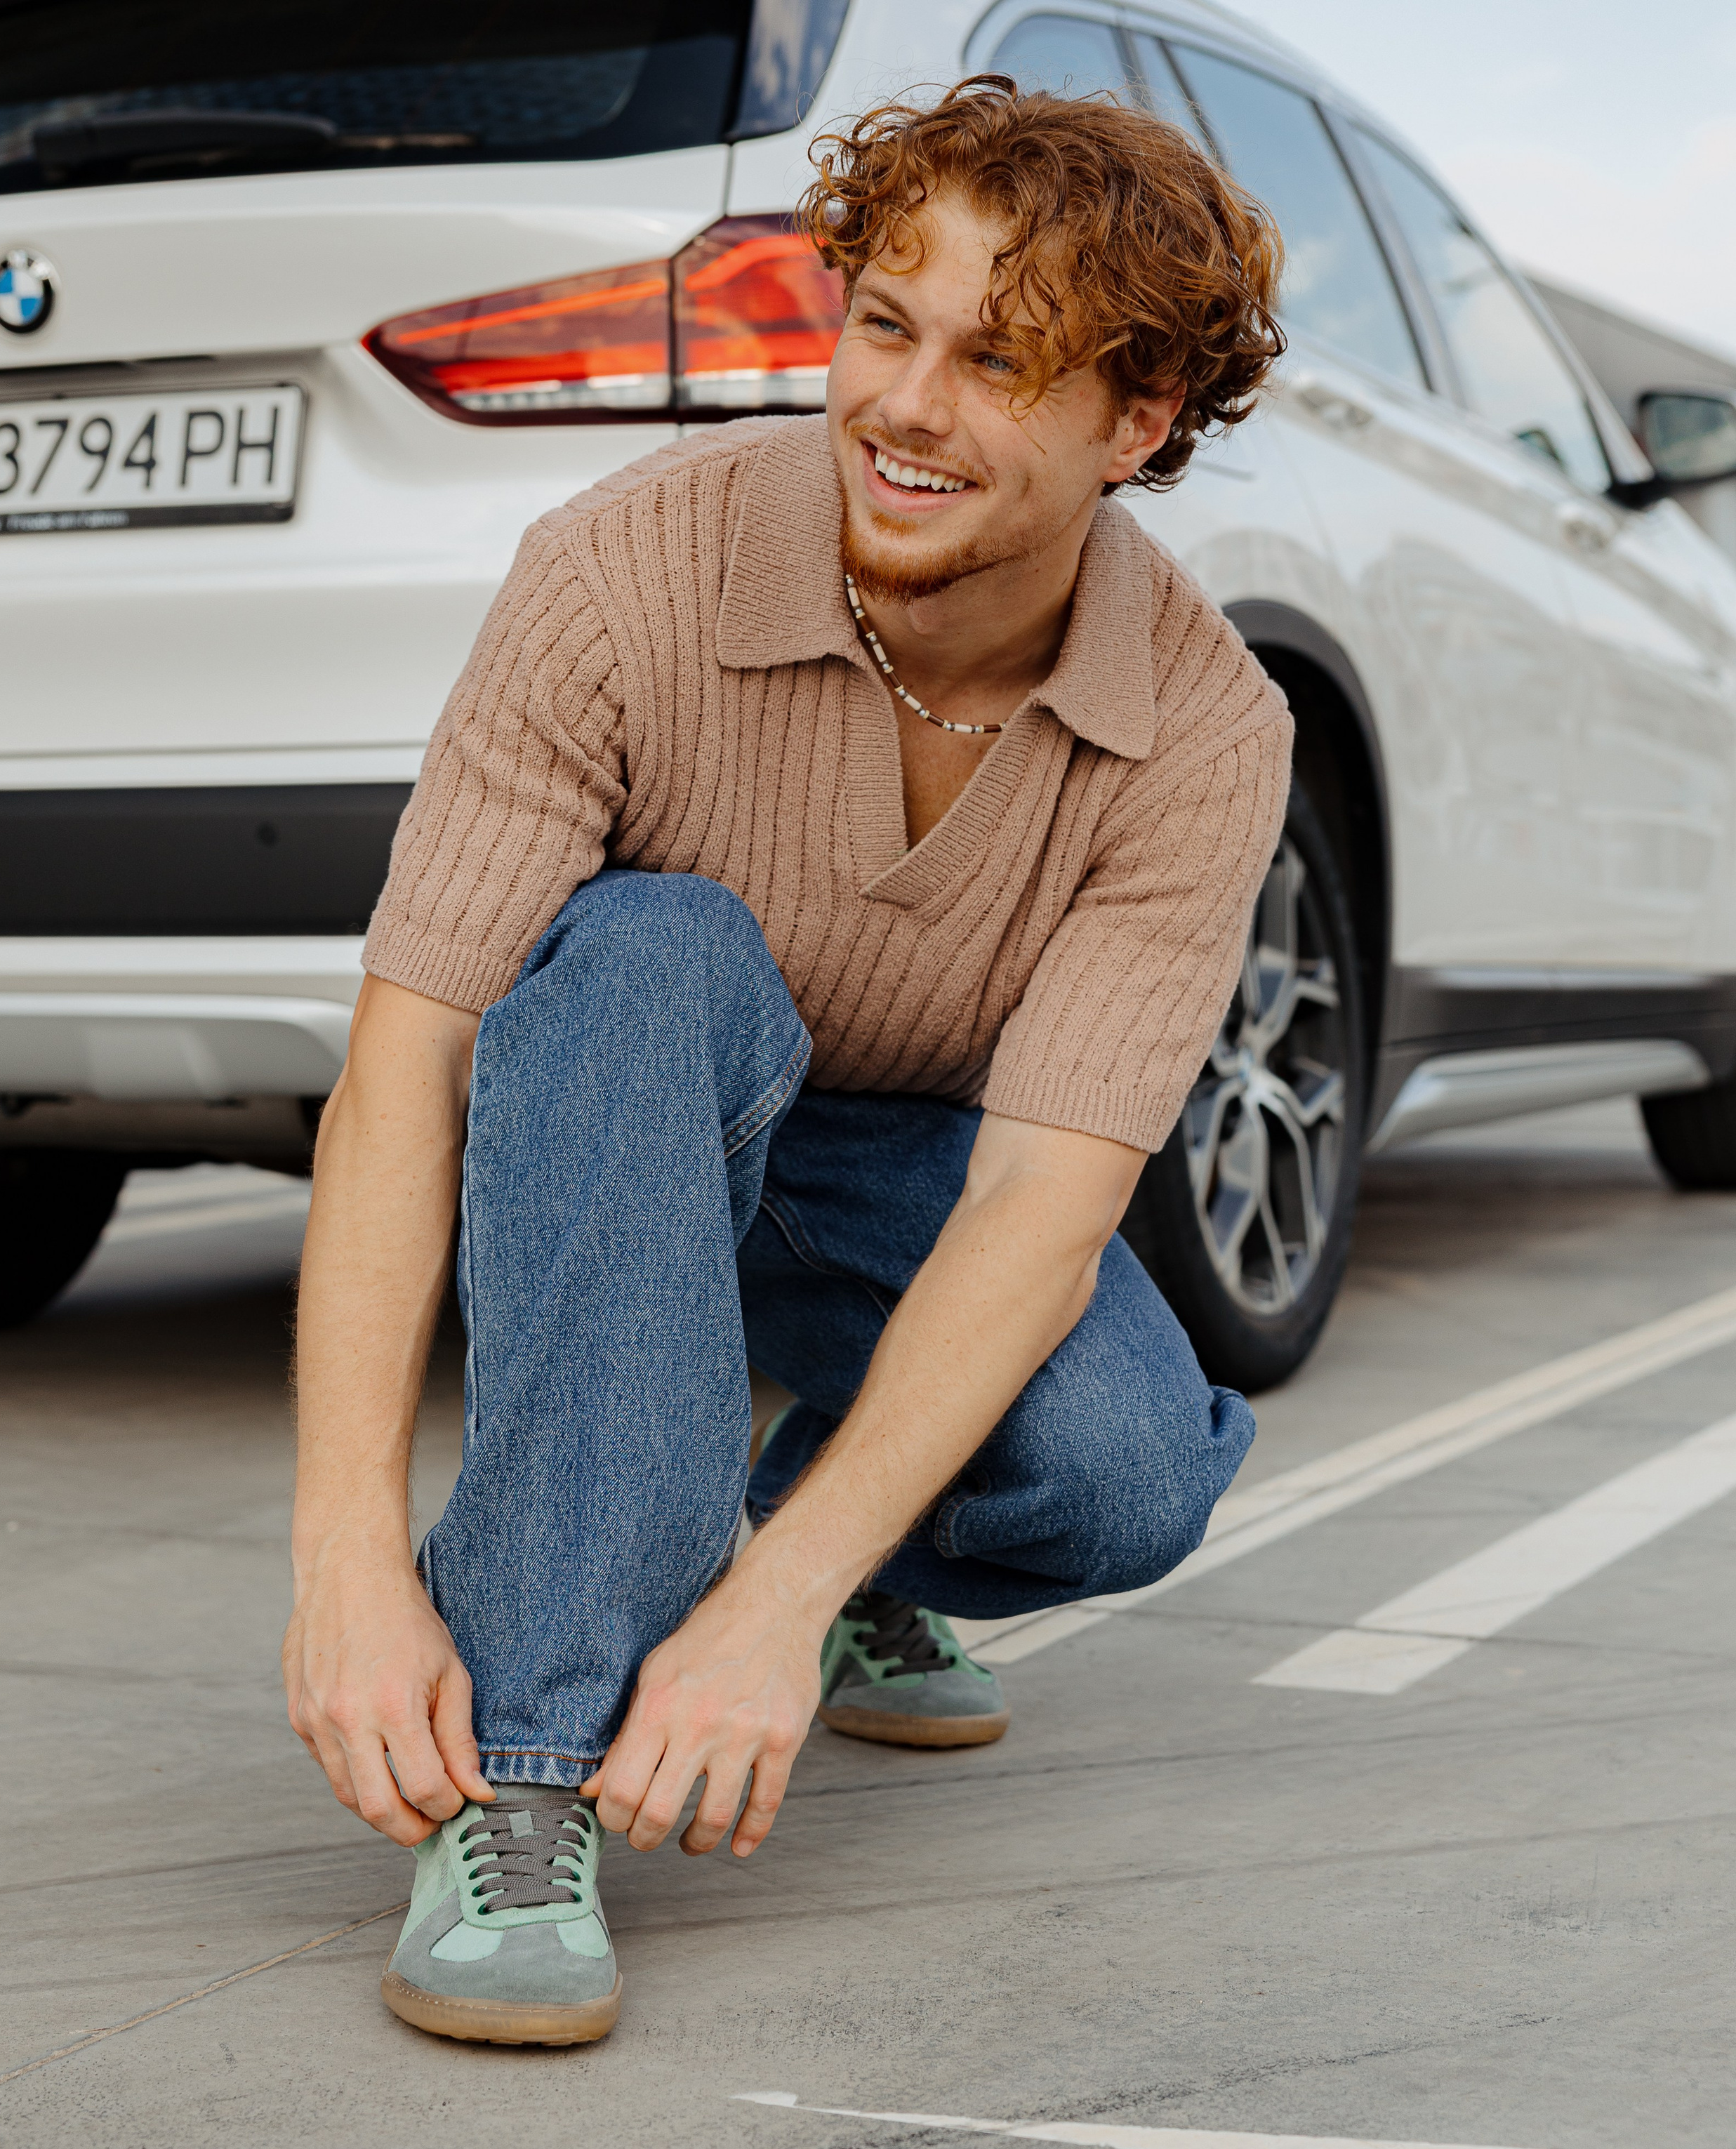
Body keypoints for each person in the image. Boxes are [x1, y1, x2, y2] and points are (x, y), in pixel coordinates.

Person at [282, 75, 1291, 2047]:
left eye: (1004, 363)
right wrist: (340, 1562)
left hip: (894, 1176)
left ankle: (826, 1561)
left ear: (1137, 421)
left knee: (1124, 1477)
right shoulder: (624, 572)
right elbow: (402, 1072)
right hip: (613, 1117)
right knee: (650, 949)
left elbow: (1041, 1200)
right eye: (887, 324)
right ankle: (528, 1764)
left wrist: (768, 1605)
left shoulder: (1204, 730)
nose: (907, 407)